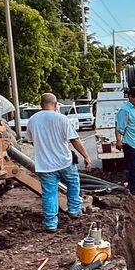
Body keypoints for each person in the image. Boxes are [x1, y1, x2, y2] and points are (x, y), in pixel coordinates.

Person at [26, 92, 94, 232]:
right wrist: (86, 156)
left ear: (41, 105)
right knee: (73, 183)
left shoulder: (32, 120)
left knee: (49, 193)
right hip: (64, 161)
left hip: (45, 165)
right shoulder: (61, 119)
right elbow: (74, 140)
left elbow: (32, 142)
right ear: (56, 104)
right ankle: (74, 210)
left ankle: (51, 223)